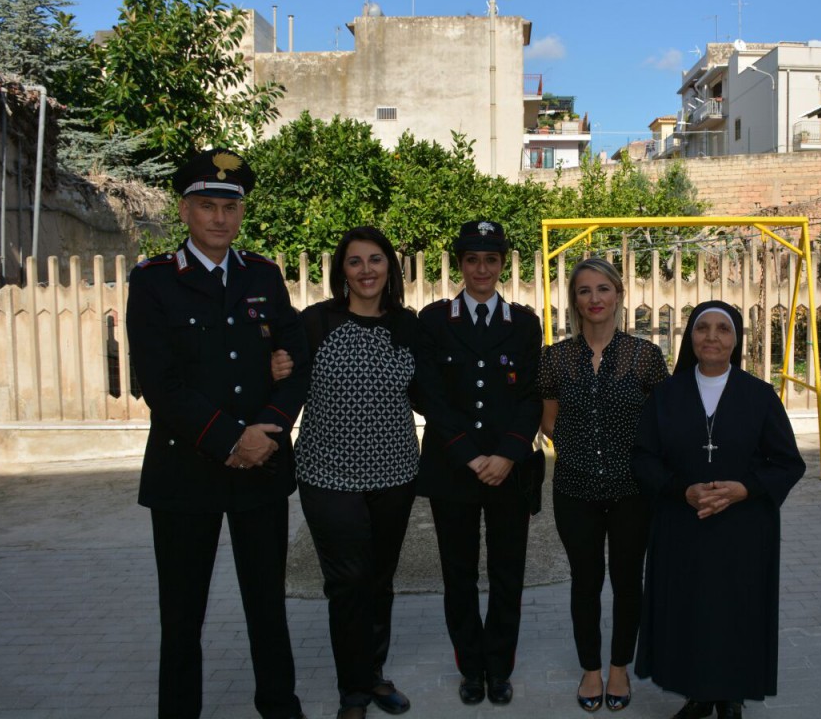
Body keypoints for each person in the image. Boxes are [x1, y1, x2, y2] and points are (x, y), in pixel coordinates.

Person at [126, 148, 309, 719]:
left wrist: (272, 428)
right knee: (182, 614)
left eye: (230, 207)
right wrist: (234, 438)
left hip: (262, 467)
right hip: (186, 471)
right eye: (207, 206)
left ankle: (279, 705)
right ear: (185, 211)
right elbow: (161, 383)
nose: (220, 219)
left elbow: (296, 356)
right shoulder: (154, 281)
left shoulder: (263, 274)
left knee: (266, 605)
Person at [632, 300, 806, 719]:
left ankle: (731, 696)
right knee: (689, 609)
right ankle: (698, 693)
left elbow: (788, 462)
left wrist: (744, 489)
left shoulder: (759, 395)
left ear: (735, 339)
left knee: (737, 609)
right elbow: (643, 457)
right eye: (702, 328)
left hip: (744, 527)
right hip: (682, 522)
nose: (711, 337)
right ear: (690, 337)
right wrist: (680, 490)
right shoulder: (666, 394)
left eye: (722, 329)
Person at [291, 227, 424, 719]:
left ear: (390, 267)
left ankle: (372, 673)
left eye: (376, 260)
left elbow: (431, 390)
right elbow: (283, 382)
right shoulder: (315, 323)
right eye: (355, 261)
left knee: (380, 579)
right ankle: (352, 692)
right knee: (348, 581)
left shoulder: (408, 326)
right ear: (341, 271)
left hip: (394, 473)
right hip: (327, 475)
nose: (366, 270)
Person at [415, 219, 544, 707]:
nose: (482, 269)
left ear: (502, 264)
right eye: (472, 260)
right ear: (460, 265)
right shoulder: (434, 321)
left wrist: (508, 454)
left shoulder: (524, 324)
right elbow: (428, 394)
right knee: (459, 574)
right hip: (455, 470)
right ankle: (471, 667)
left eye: (491, 260)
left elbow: (531, 396)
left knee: (508, 573)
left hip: (509, 472)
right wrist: (472, 456)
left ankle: (499, 665)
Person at [538, 258, 668, 713]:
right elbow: (549, 420)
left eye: (603, 289)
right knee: (585, 581)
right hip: (574, 489)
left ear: (618, 294)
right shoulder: (555, 357)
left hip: (633, 491)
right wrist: (584, 451)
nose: (594, 299)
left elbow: (661, 424)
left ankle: (619, 667)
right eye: (584, 291)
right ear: (574, 300)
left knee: (628, 580)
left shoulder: (646, 357)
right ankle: (591, 669)